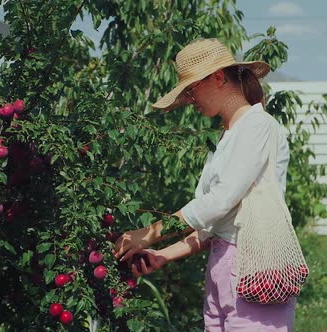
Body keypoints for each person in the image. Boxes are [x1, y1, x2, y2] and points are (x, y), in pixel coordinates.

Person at [113, 38, 294, 331]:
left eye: (190, 88)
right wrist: (162, 255)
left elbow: (217, 202)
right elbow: (213, 222)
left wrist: (150, 233)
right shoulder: (224, 138)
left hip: (255, 266)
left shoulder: (258, 127)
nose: (189, 98)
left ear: (218, 77)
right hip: (222, 269)